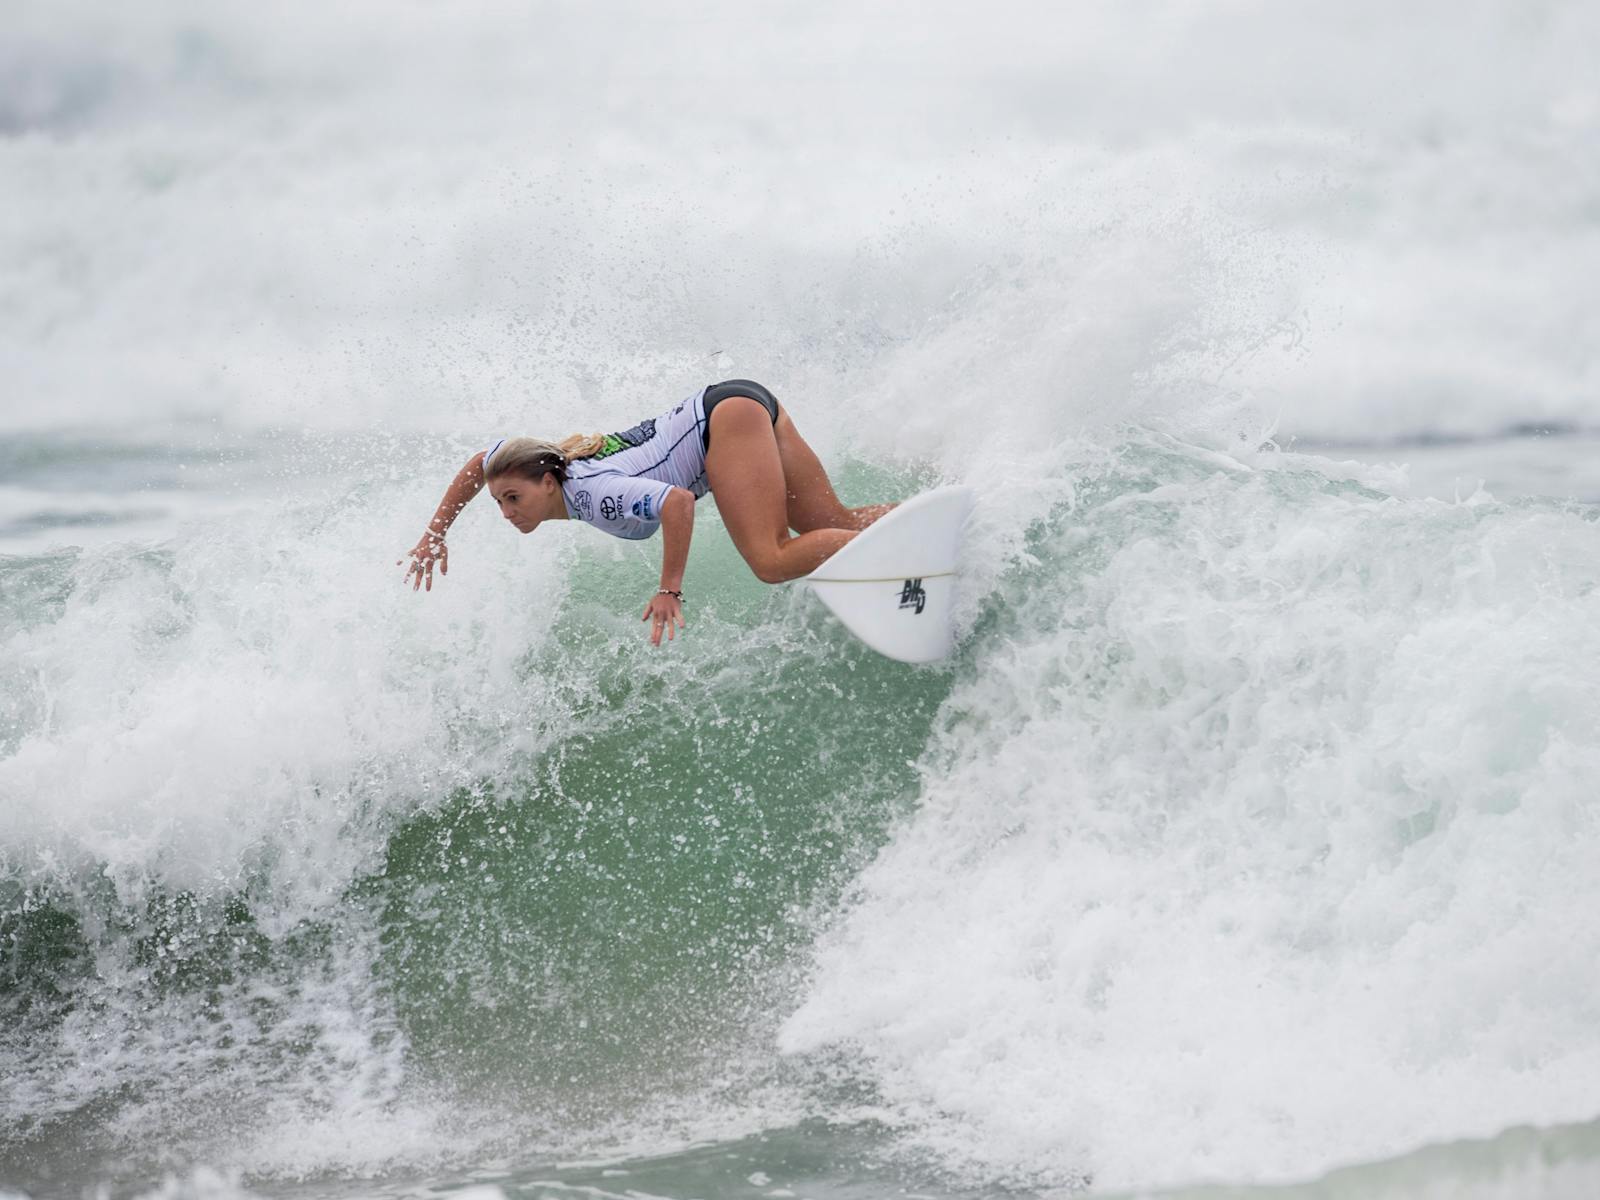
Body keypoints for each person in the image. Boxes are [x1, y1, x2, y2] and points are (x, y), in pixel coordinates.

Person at [400, 380, 895, 644]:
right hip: (734, 404)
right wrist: (434, 534)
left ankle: (899, 556)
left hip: (723, 421)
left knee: (771, 559)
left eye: (514, 498)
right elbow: (480, 463)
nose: (507, 512)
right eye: (499, 502)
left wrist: (668, 590)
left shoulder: (591, 493)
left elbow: (677, 502)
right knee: (833, 527)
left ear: (547, 483)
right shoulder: (542, 466)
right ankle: (918, 522)